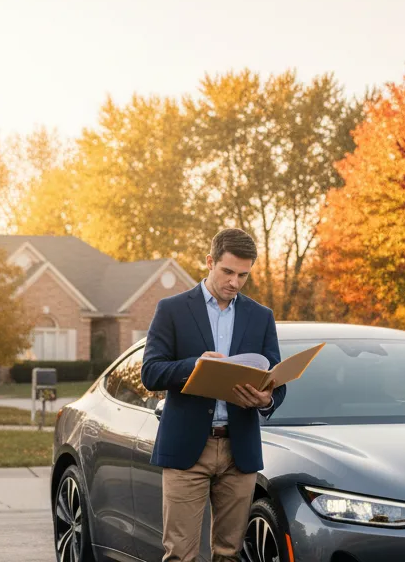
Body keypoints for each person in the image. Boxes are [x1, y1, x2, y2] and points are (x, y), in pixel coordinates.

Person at [141, 228, 286, 562]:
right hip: (186, 449)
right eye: (228, 272)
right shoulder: (172, 310)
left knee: (229, 554)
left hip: (240, 449)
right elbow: (150, 372)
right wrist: (195, 365)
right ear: (210, 262)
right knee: (180, 554)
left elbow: (276, 380)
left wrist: (267, 399)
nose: (234, 282)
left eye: (243, 275)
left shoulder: (261, 316)